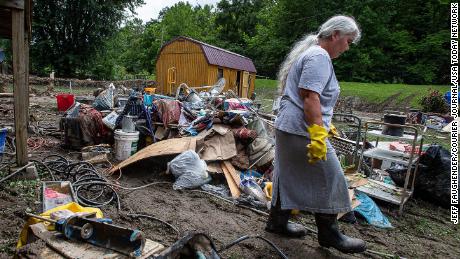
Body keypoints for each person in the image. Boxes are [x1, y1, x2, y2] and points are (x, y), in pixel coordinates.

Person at [265, 15, 366, 254]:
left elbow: (308, 97)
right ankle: (329, 233)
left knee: (286, 174)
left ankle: (277, 222)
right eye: (348, 41)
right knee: (331, 177)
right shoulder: (319, 56)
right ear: (335, 35)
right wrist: (319, 133)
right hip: (300, 128)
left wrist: (323, 125)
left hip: (291, 126)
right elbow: (310, 96)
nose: (347, 47)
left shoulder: (311, 54)